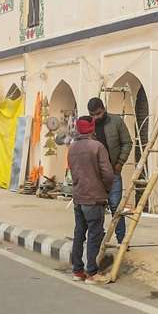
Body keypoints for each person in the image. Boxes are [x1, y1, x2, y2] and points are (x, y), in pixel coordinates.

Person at [67, 115, 114, 284]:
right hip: (94, 198)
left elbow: (72, 171)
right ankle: (92, 273)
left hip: (78, 197)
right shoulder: (97, 147)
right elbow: (108, 174)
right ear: (92, 128)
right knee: (95, 233)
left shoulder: (72, 148)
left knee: (79, 233)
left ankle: (77, 270)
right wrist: (106, 189)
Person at [87, 98, 131, 245]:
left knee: (115, 206)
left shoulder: (116, 121)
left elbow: (127, 143)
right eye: (93, 115)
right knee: (97, 207)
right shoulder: (89, 126)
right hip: (96, 175)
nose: (96, 117)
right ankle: (99, 239)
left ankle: (122, 241)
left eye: (99, 113)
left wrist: (120, 163)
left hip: (113, 173)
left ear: (104, 109)